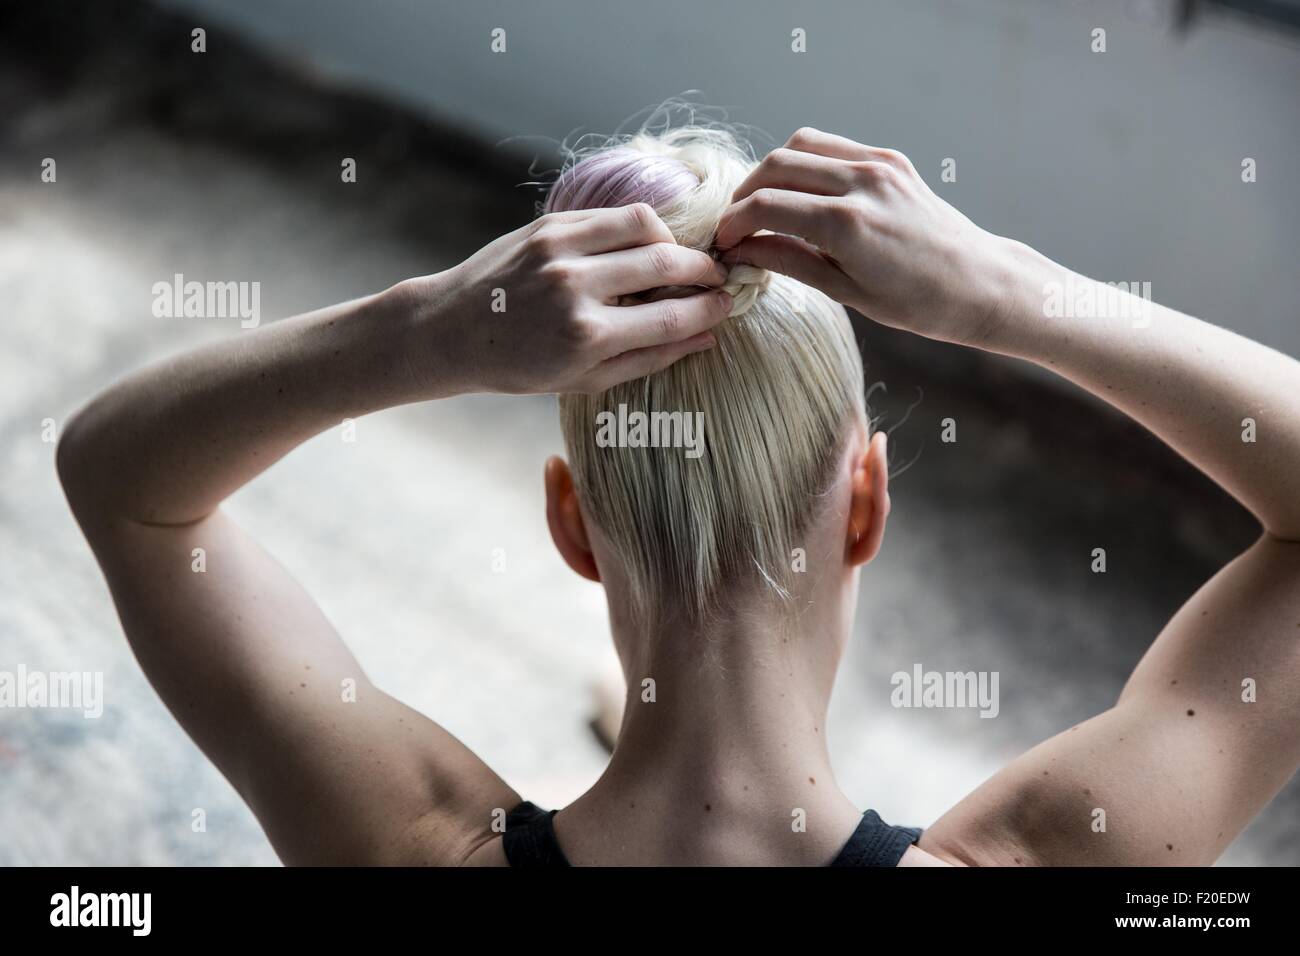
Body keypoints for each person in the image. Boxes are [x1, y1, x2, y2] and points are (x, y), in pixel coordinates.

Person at [58, 125, 1300, 866]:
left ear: (571, 527)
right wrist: (1009, 293)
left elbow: (123, 481)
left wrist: (428, 330)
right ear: (864, 503)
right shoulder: (1037, 856)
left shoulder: (410, 840)